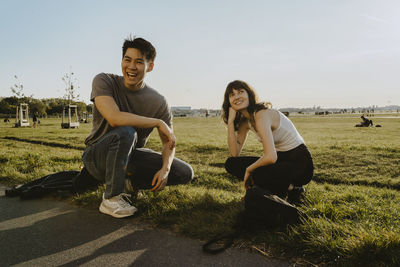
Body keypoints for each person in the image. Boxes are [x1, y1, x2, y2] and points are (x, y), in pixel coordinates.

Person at [83, 36, 194, 218]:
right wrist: (157, 122)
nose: (131, 67)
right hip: (96, 157)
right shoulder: (104, 81)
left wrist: (165, 169)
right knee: (126, 132)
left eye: (139, 62)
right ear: (122, 61)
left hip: (129, 158)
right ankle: (111, 199)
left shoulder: (158, 101)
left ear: (150, 66)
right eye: (127, 60)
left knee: (183, 172)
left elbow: (169, 141)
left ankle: (128, 185)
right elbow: (114, 118)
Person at [222, 80, 313, 202]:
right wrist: (231, 122)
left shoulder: (262, 114)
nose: (237, 97)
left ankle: (294, 188)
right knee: (231, 163)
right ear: (228, 101)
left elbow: (271, 157)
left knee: (256, 173)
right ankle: (277, 189)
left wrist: (249, 170)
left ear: (249, 94)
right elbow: (234, 153)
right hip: (280, 160)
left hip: (299, 163)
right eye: (232, 94)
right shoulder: (245, 121)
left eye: (240, 92)